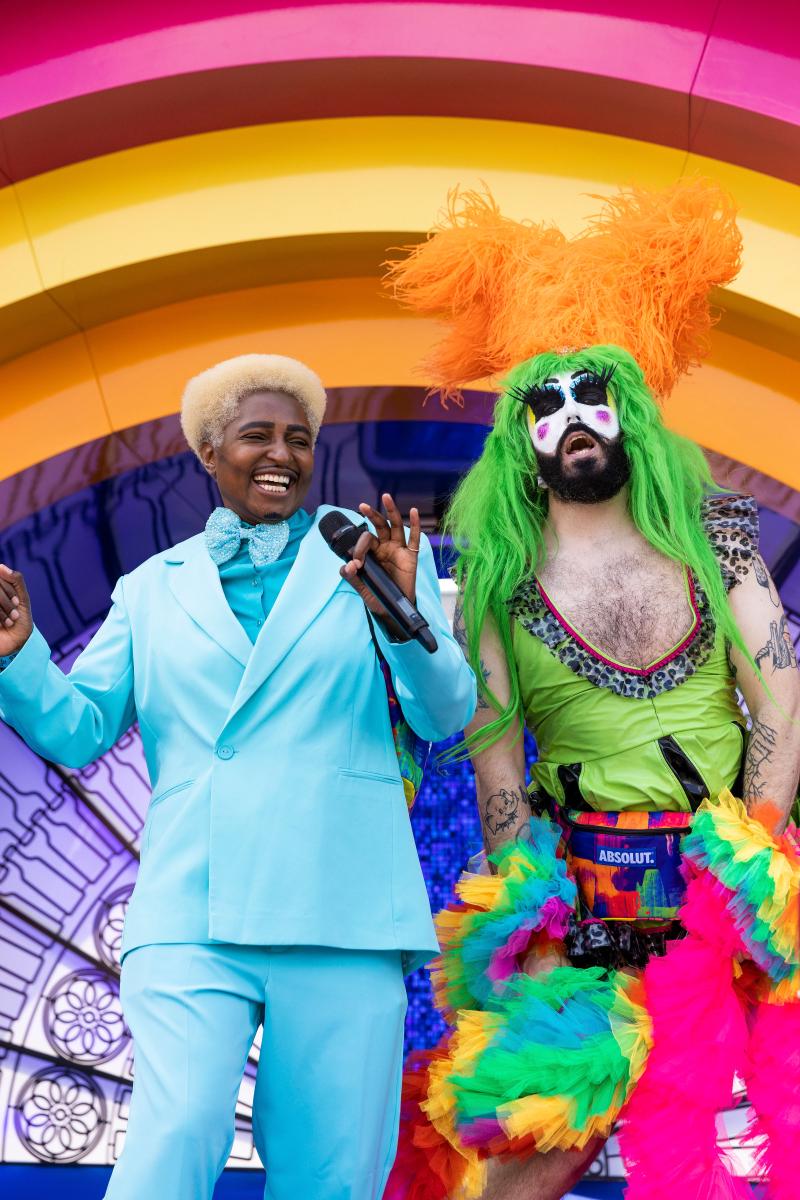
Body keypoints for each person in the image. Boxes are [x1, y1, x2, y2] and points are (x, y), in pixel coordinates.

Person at [383, 181, 800, 1200]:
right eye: (545, 403)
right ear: (520, 439)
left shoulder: (716, 542)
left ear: (630, 418)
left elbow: (783, 703)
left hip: (731, 870)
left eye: (591, 393)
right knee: (543, 1139)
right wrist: (529, 911)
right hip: (588, 884)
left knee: (777, 1109)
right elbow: (495, 770)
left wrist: (746, 860)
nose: (571, 415)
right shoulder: (497, 585)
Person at [0, 352, 477, 1200]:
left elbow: (446, 714)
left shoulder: (368, 562)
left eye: (299, 439)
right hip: (194, 908)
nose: (281, 454)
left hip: (342, 910)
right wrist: (18, 656)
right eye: (258, 435)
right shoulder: (151, 589)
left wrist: (404, 616)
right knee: (175, 1135)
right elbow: (79, 730)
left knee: (332, 1172)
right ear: (209, 452)